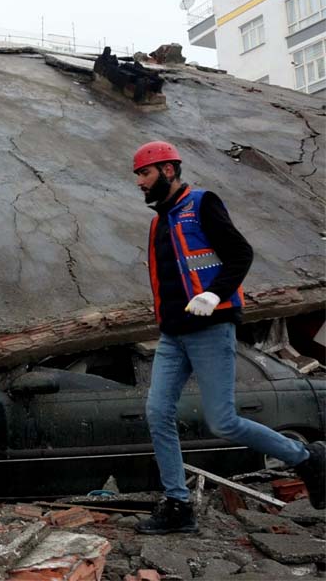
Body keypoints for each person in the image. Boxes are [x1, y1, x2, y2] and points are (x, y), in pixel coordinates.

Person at [131, 141, 325, 535]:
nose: (140, 183)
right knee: (157, 413)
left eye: (144, 174)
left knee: (223, 422)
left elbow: (240, 253)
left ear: (168, 171)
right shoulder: (159, 221)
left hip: (209, 329)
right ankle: (177, 505)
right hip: (173, 336)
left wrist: (215, 294)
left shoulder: (202, 203)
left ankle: (306, 458)